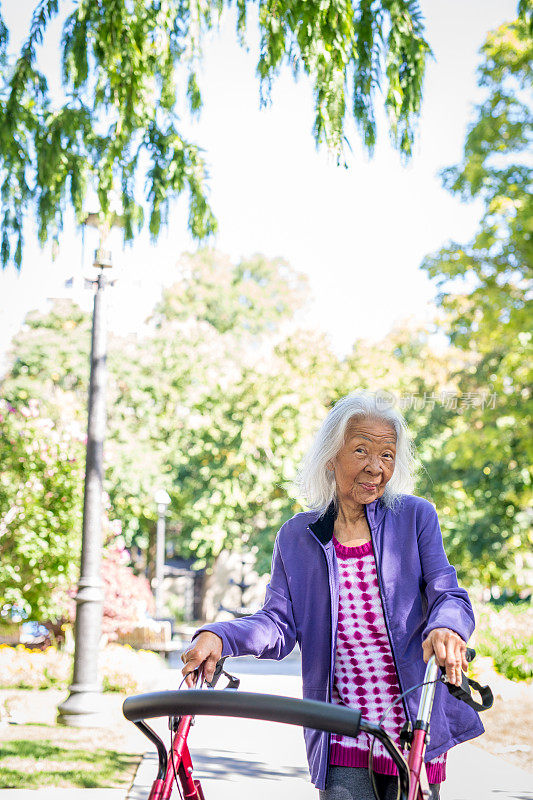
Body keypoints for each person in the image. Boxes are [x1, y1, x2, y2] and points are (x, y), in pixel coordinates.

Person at [181, 393, 484, 800]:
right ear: (331, 455)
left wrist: (446, 627)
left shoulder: (415, 518)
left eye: (388, 455)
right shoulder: (296, 537)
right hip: (342, 732)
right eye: (361, 450)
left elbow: (449, 594)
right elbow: (277, 624)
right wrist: (221, 636)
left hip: (414, 728)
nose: (376, 467)